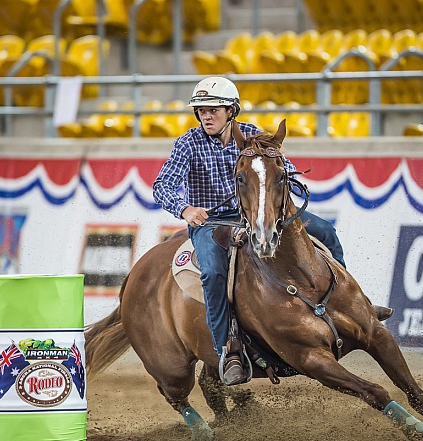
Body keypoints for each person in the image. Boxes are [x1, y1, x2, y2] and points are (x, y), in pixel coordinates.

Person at [153, 76, 391, 386]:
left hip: (259, 215)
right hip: (212, 223)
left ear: (231, 112)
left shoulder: (254, 136)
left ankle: (352, 307)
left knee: (325, 231)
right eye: (201, 111)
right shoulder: (188, 143)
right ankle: (227, 348)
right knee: (212, 273)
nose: (206, 116)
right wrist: (186, 209)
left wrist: (279, 184)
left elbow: (284, 169)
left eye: (214, 109)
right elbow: (163, 185)